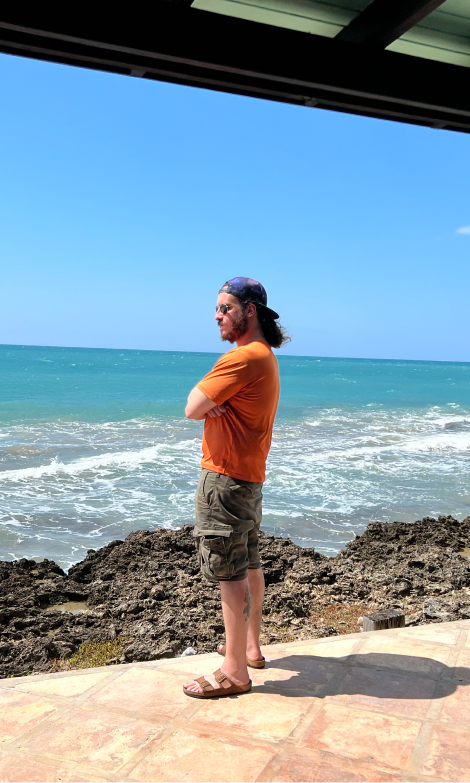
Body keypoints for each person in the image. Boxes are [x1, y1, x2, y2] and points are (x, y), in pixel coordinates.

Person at [181, 277, 288, 699]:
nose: (217, 315)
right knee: (248, 562)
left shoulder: (243, 358)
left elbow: (192, 406)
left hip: (224, 480)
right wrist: (213, 405)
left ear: (250, 311)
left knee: (229, 572)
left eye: (226, 307)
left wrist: (210, 406)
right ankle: (251, 648)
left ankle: (235, 670)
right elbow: (204, 406)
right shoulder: (265, 357)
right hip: (247, 477)